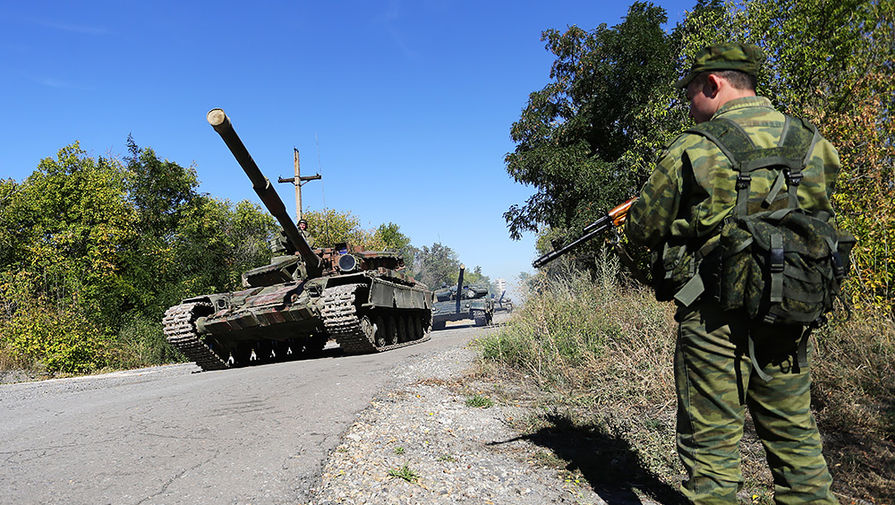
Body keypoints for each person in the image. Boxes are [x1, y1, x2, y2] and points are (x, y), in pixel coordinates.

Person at [625, 43, 841, 504]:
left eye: (690, 93)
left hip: (715, 315)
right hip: (791, 308)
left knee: (713, 452)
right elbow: (820, 221)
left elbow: (643, 227)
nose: (689, 104)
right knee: (796, 443)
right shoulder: (813, 143)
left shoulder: (696, 146)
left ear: (713, 84)